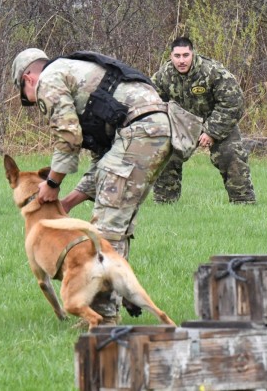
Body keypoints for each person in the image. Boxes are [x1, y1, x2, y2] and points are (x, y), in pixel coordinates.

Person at [10, 48, 172, 325]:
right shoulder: (73, 71)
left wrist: (52, 184)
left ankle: (104, 318)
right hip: (150, 130)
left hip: (138, 132)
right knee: (113, 220)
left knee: (106, 228)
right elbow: (104, 163)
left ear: (28, 78)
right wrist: (71, 200)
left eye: (28, 98)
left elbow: (69, 137)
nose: (35, 104)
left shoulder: (48, 79)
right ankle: (117, 299)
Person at [151, 36, 256, 204]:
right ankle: (165, 204)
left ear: (193, 54)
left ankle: (243, 203)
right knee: (165, 153)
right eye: (177, 56)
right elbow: (152, 101)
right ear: (171, 56)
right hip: (183, 125)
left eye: (186, 55)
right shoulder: (164, 74)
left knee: (231, 154)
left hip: (217, 120)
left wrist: (211, 131)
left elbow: (234, 102)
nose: (182, 60)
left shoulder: (212, 71)